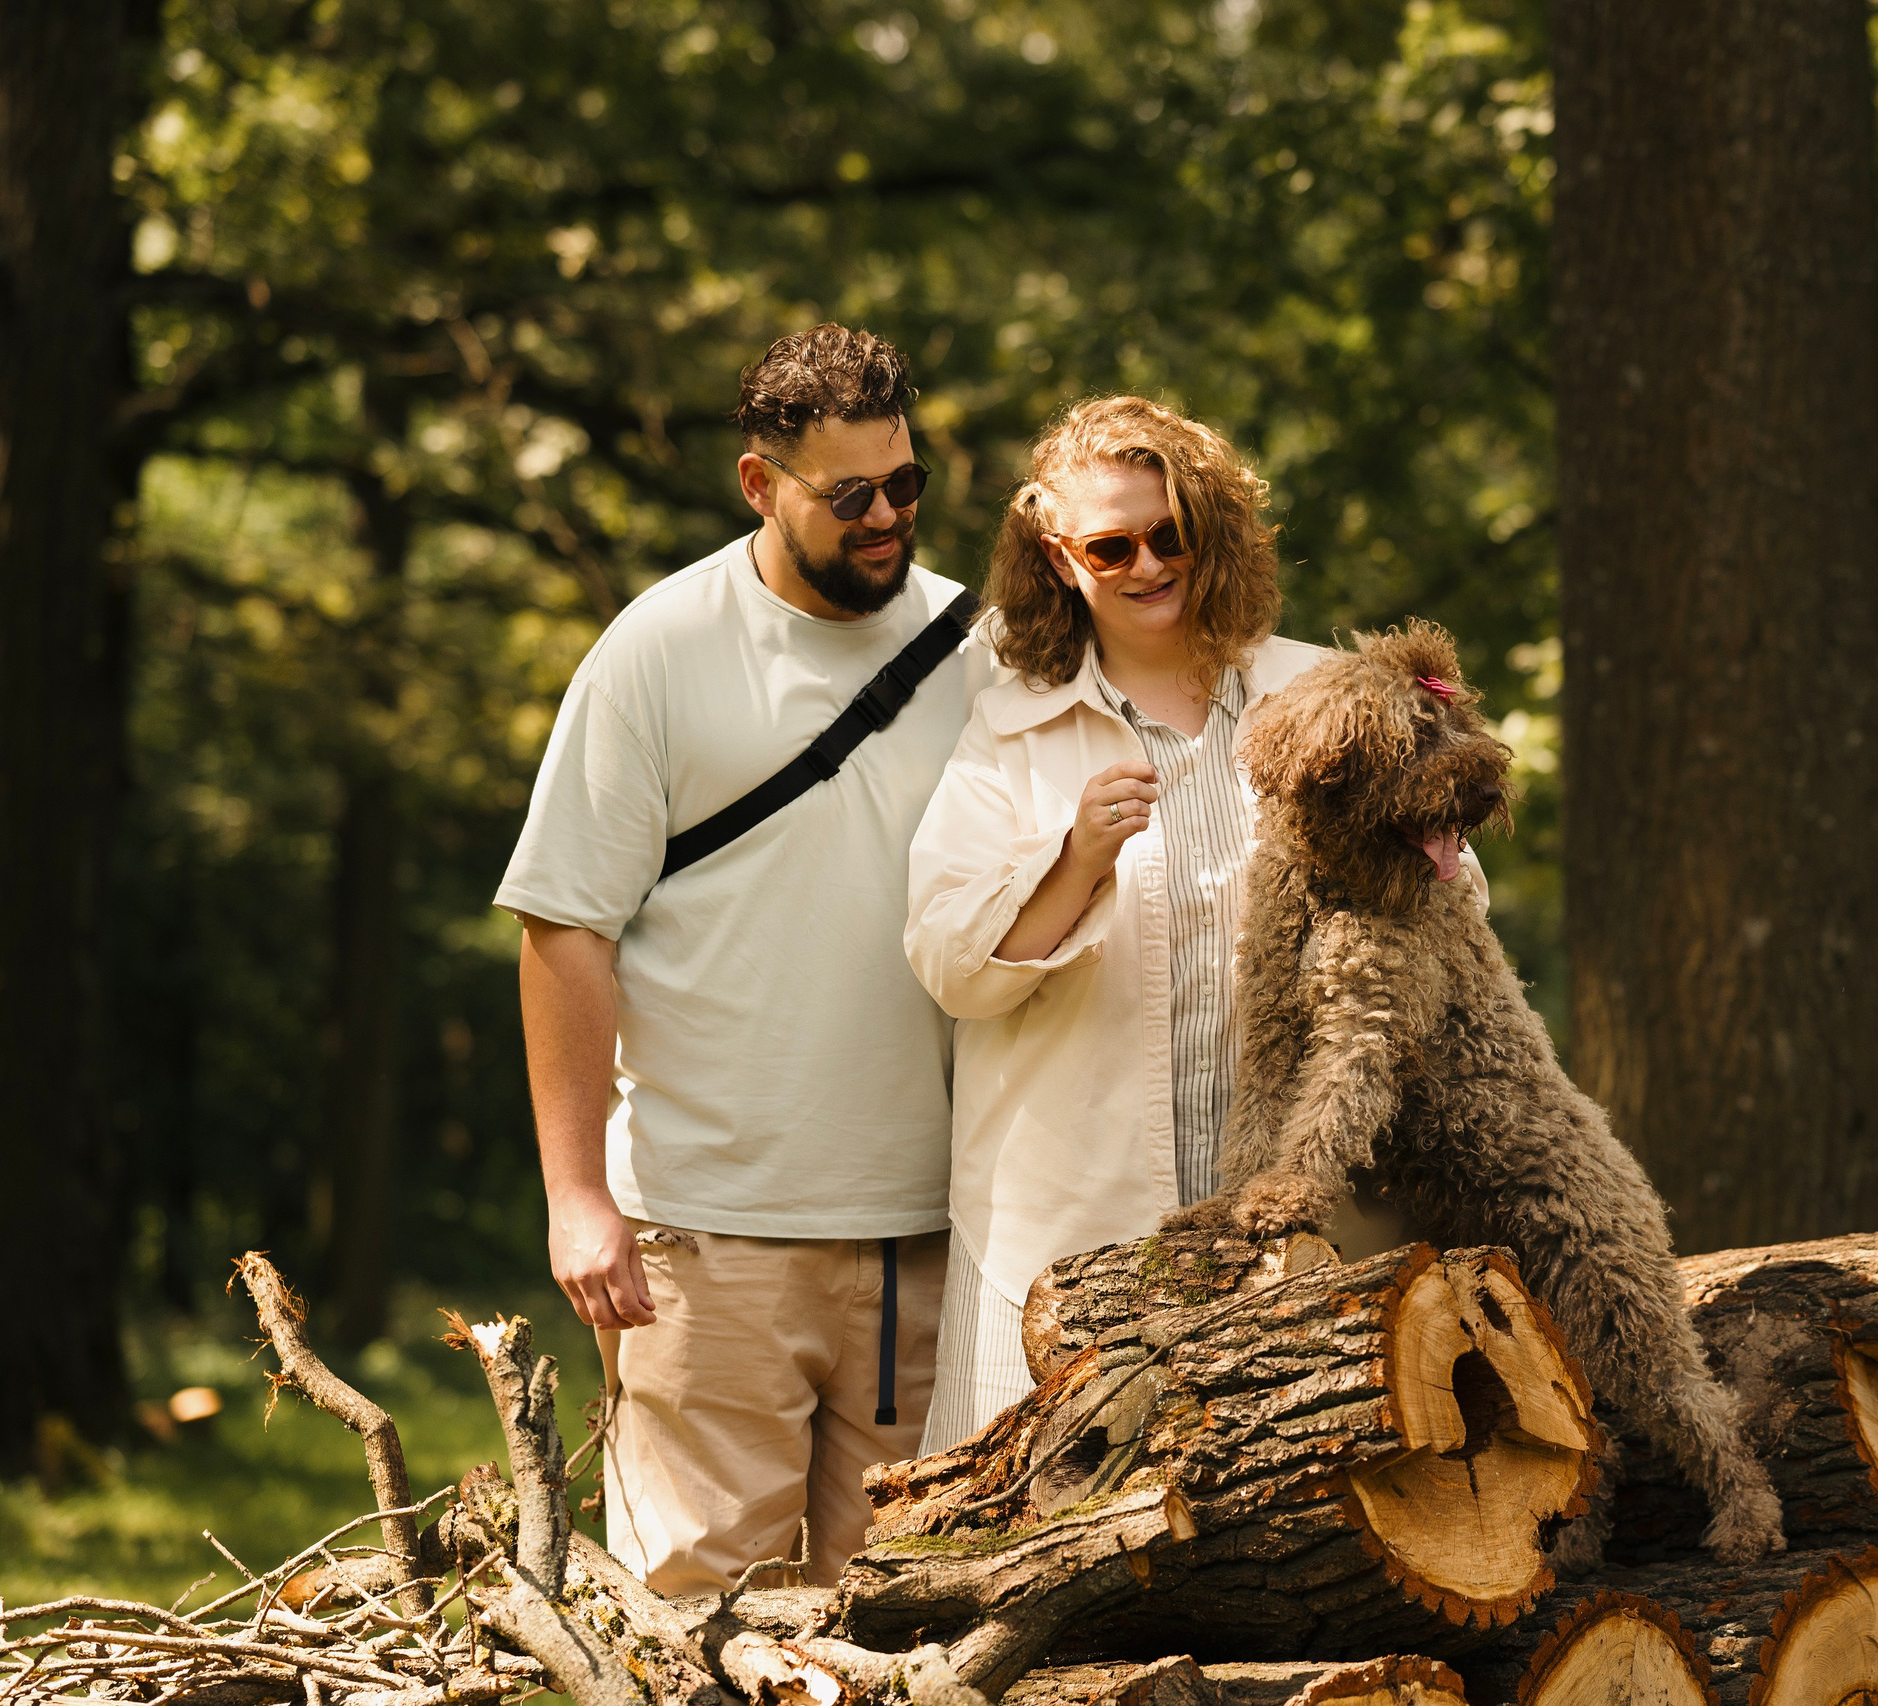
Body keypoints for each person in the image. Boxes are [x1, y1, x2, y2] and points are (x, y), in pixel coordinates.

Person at [494, 325, 992, 1592]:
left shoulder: (979, 648)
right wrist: (575, 1196)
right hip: (702, 1236)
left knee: (907, 1619)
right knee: (700, 1622)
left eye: (906, 483)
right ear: (760, 485)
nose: (887, 517)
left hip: (929, 1235)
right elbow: (563, 927)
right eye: (850, 494)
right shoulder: (656, 651)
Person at [903, 396, 1479, 1449]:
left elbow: (1456, 901)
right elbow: (952, 967)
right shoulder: (1012, 727)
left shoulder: (1322, 693)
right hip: (1071, 1225)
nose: (1148, 565)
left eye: (1170, 534)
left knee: (1296, 1505)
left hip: (1309, 1218)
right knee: (1054, 1511)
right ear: (1058, 556)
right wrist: (1076, 859)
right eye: (1109, 545)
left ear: (1211, 528)